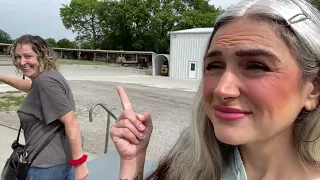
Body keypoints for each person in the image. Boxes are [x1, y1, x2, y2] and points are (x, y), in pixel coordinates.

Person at [111, 0, 320, 179]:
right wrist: (133, 163)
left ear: (313, 89)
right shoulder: (186, 168)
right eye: (215, 66)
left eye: (256, 66)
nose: (222, 89)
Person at [0, 35, 88, 180]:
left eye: (28, 56)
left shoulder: (45, 82)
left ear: (41, 55)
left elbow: (71, 121)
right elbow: (31, 87)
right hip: (58, 161)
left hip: (46, 168)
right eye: (18, 57)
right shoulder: (47, 77)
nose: (22, 62)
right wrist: (1, 77)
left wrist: (80, 164)